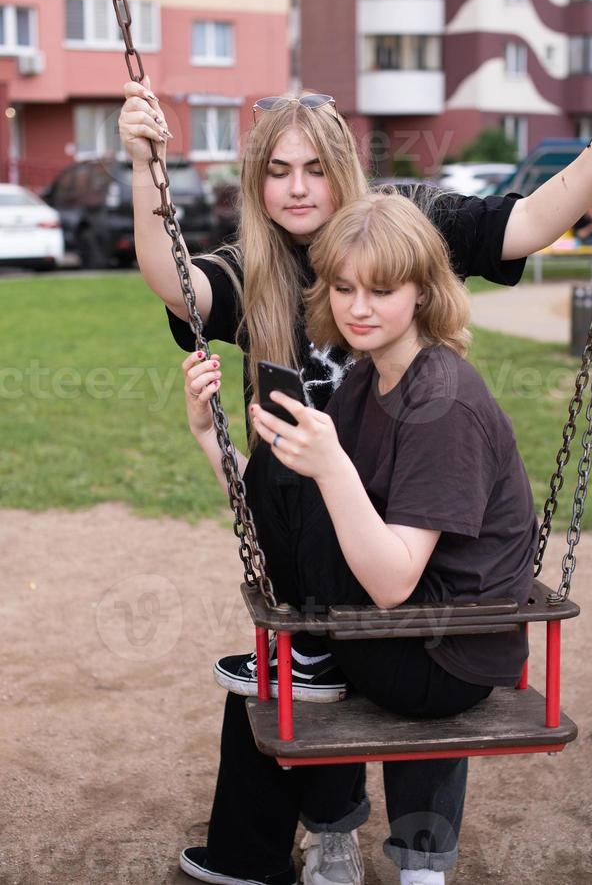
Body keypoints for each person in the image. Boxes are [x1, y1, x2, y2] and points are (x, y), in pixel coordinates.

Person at [118, 68, 592, 885]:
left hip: (407, 551)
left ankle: (418, 854)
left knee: (384, 616)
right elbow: (176, 284)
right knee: (298, 618)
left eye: (314, 168)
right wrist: (143, 168)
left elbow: (524, 223)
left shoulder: (411, 229)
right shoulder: (259, 268)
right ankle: (313, 835)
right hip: (334, 528)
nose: (297, 190)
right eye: (276, 170)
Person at [180, 192, 538, 885]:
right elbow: (280, 517)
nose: (357, 307)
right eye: (342, 287)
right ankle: (317, 807)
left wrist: (329, 464)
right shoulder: (366, 380)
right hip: (398, 630)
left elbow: (393, 581)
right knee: (284, 460)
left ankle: (312, 673)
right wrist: (208, 434)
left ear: (424, 292)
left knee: (294, 470)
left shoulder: (441, 402)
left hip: (440, 658)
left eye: (382, 289)